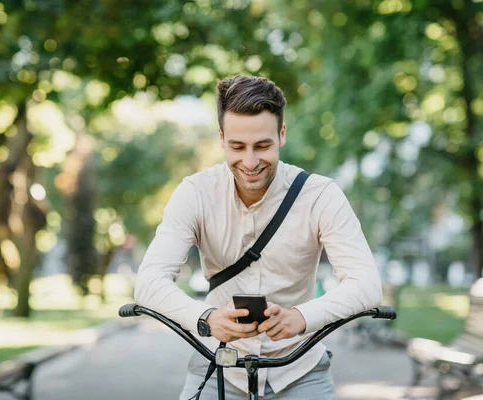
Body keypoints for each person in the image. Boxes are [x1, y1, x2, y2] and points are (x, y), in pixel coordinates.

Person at [134, 75, 382, 399]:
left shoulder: (322, 195)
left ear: (282, 135)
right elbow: (149, 282)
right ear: (221, 138)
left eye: (262, 146)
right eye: (237, 147)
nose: (250, 162)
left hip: (300, 369)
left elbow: (365, 284)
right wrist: (206, 319)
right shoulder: (194, 193)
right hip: (217, 365)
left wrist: (301, 318)